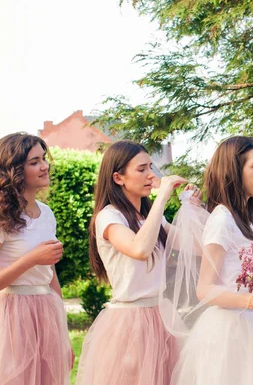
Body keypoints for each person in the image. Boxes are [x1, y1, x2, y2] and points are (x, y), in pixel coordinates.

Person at [166, 136, 253, 385]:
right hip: (231, 332)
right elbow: (204, 289)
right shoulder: (222, 219)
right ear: (234, 170)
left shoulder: (244, 220)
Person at [75, 140, 194, 385]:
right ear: (118, 178)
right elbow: (139, 249)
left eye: (150, 167)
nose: (151, 175)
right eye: (141, 169)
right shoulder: (109, 216)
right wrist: (161, 198)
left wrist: (191, 208)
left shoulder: (151, 219)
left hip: (162, 317)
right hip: (129, 322)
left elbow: (196, 247)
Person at [0, 132, 72, 384]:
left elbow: (50, 275)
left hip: (46, 313)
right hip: (10, 319)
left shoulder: (46, 214)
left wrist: (62, 335)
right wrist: (31, 258)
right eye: (34, 162)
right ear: (14, 170)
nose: (45, 166)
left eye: (43, 159)